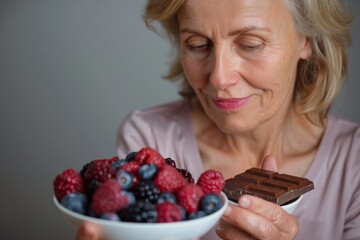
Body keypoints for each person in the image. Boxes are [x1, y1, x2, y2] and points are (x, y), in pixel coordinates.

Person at [77, 0, 360, 239]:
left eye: (250, 44)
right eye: (197, 45)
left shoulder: (353, 162)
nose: (219, 78)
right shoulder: (150, 140)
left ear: (306, 40)